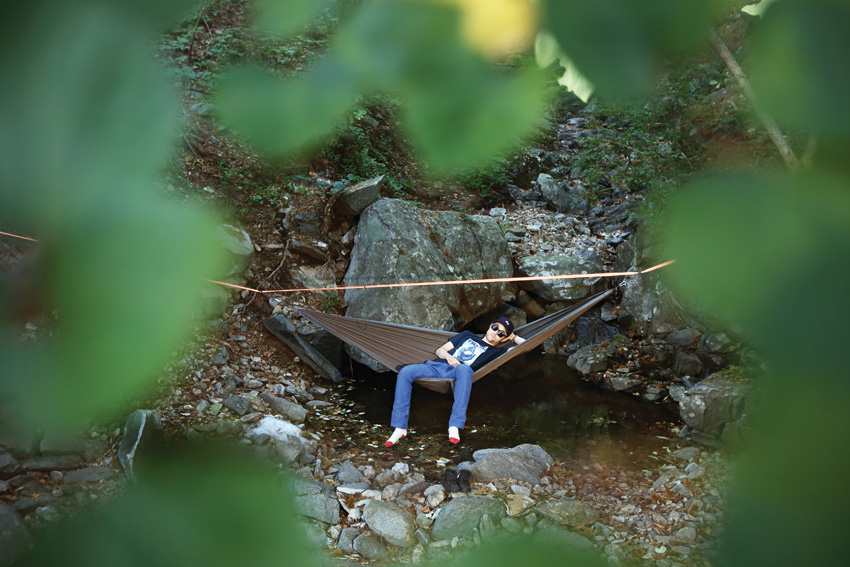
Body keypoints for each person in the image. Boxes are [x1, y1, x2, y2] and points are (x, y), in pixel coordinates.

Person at [385, 316, 525, 446]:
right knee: (405, 372)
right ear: (490, 326)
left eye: (501, 333)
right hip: (437, 366)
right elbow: (440, 350)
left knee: (465, 369)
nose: (496, 333)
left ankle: (454, 425)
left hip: (458, 373)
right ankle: (400, 427)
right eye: (495, 327)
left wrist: (513, 337)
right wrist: (449, 358)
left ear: (504, 339)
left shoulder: (496, 352)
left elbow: (524, 346)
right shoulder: (467, 335)